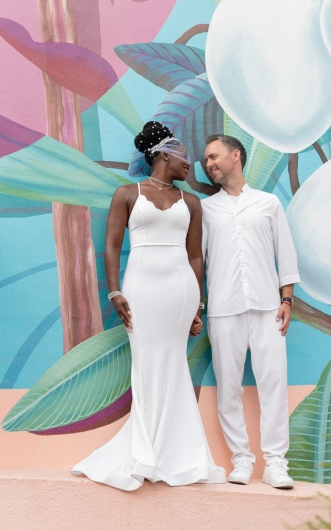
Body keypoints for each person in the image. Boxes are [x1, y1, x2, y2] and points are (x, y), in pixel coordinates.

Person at [71, 121, 225, 491]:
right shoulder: (127, 193)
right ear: (163, 154)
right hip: (140, 287)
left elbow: (196, 257)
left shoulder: (192, 202)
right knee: (145, 363)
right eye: (184, 156)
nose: (190, 164)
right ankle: (144, 452)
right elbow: (110, 246)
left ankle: (177, 453)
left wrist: (198, 305)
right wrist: (113, 292)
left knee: (173, 363)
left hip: (180, 290)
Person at [202, 134, 299, 489]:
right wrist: (199, 305)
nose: (208, 164)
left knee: (273, 384)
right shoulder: (206, 210)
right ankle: (241, 459)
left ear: (235, 155)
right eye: (206, 160)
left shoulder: (269, 204)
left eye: (213, 156)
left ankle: (276, 463)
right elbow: (198, 261)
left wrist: (287, 300)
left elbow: (284, 253)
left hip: (267, 309)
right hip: (223, 310)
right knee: (229, 388)